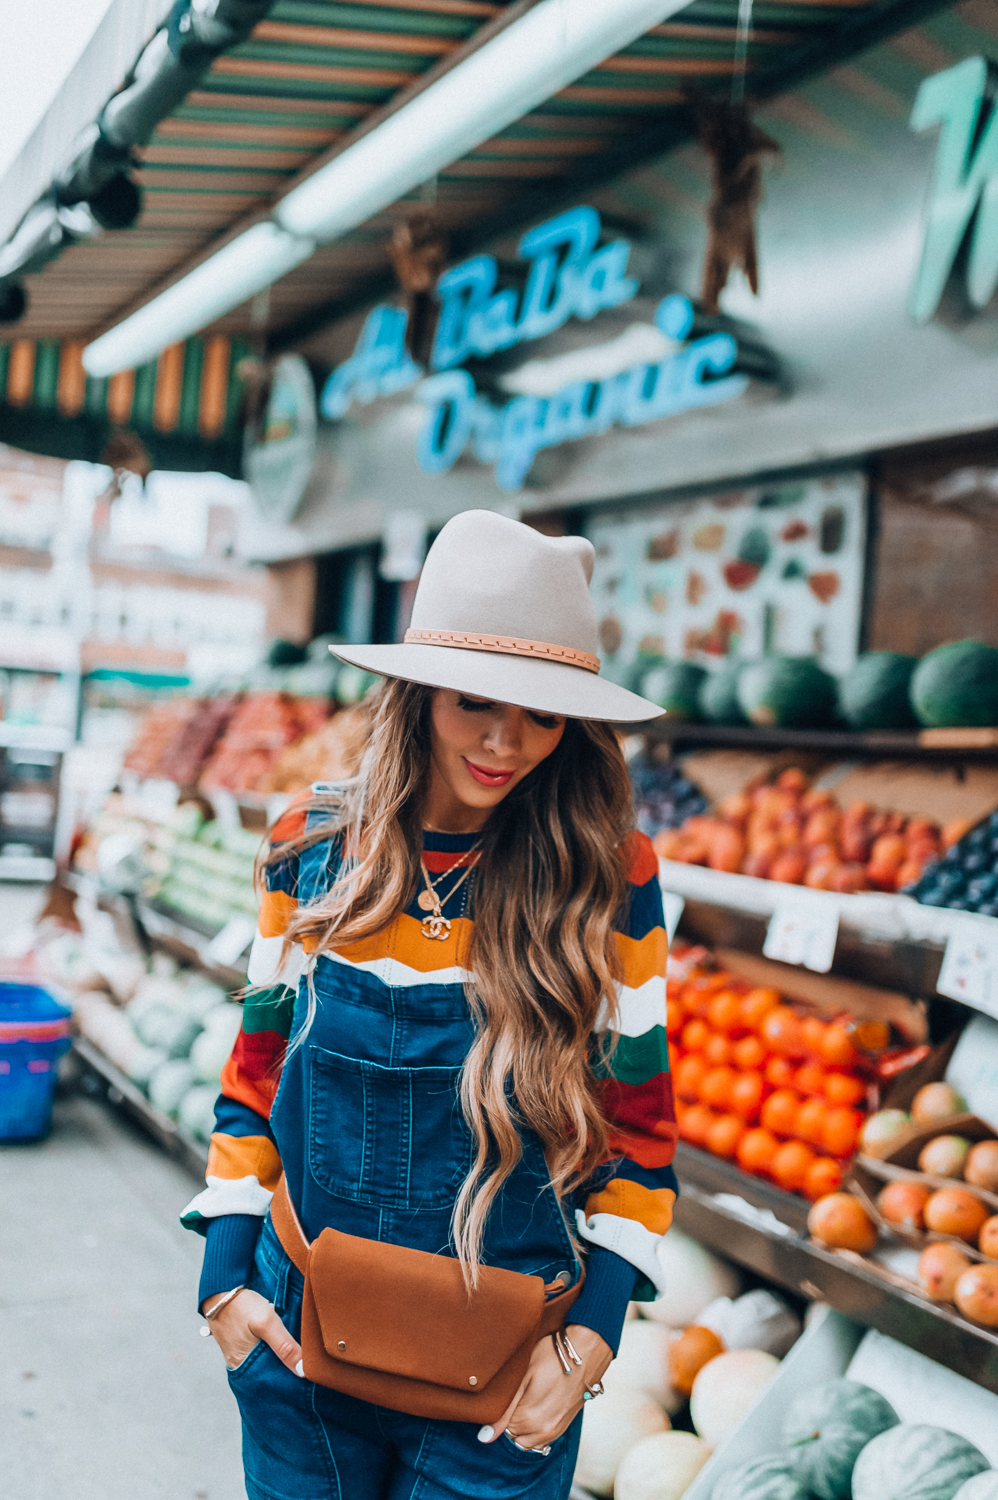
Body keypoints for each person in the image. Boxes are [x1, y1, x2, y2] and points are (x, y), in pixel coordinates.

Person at [181, 510, 678, 1500]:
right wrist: (222, 1286)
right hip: (298, 1351)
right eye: (474, 704)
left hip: (501, 1387)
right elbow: (255, 1072)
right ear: (415, 696)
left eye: (543, 716)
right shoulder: (305, 847)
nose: (508, 742)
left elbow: (642, 1128)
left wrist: (591, 1339)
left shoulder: (610, 877)